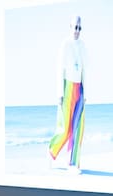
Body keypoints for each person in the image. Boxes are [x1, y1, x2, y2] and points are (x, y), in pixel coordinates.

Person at [49, 15, 87, 174]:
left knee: (78, 127)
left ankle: (72, 163)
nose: (77, 30)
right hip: (67, 87)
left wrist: (86, 92)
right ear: (70, 27)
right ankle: (51, 151)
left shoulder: (83, 46)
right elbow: (60, 70)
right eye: (75, 27)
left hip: (80, 88)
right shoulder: (65, 45)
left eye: (79, 27)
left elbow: (85, 70)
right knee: (65, 128)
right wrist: (60, 93)